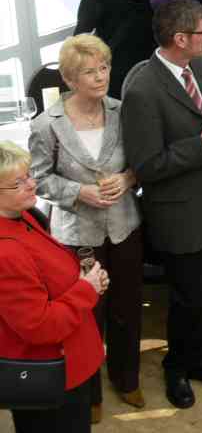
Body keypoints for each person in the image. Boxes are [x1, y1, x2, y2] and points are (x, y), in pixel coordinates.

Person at [121, 0, 202, 410]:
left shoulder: (200, 68)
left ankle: (201, 361)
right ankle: (176, 369)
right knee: (187, 297)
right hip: (177, 212)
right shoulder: (143, 90)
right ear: (181, 39)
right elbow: (148, 166)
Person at [28, 35, 142, 420]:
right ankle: (89, 393)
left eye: (104, 67)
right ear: (69, 79)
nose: (100, 77)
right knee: (86, 316)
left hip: (124, 225)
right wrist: (80, 193)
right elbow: (39, 180)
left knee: (127, 307)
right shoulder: (47, 123)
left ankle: (127, 379)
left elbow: (141, 162)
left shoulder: (122, 111)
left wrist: (128, 178)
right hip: (76, 235)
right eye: (89, 72)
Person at [0, 141, 108, 433]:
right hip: (50, 373)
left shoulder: (20, 215)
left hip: (68, 360)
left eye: (28, 175)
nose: (31, 184)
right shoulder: (5, 252)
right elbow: (39, 326)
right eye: (18, 183)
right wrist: (86, 289)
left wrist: (86, 280)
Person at [74, 0, 155, 99]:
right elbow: (85, 23)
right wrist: (79, 56)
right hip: (117, 57)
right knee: (121, 104)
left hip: (147, 53)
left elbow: (155, 13)